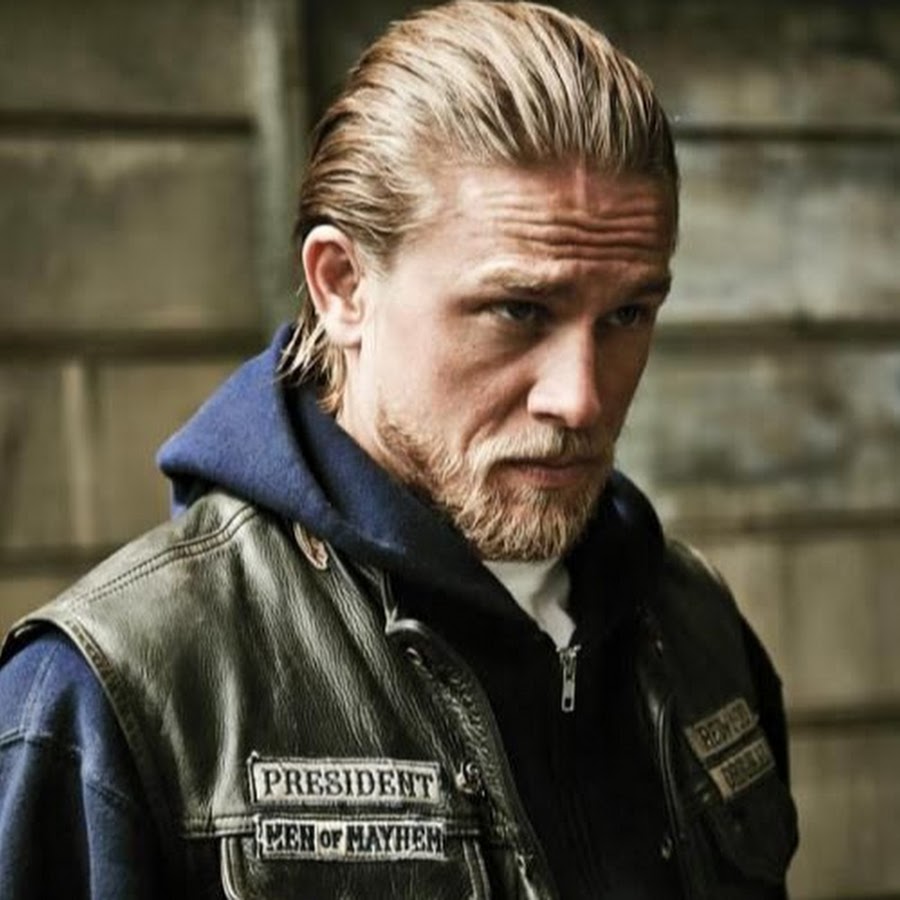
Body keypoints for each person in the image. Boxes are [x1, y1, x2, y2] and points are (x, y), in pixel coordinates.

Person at [0, 2, 798, 898]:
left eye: (626, 315)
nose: (581, 398)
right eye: (518, 311)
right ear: (343, 286)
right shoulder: (111, 691)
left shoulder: (693, 626)